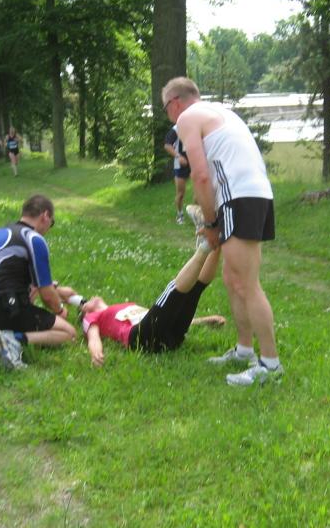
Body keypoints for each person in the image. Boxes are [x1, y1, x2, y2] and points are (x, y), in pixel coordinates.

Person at [162, 76, 282, 386]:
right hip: (253, 194)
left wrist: (210, 223)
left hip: (239, 198)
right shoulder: (219, 112)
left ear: (175, 103)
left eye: (166, 109)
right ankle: (244, 350)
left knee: (248, 283)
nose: (169, 117)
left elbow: (200, 176)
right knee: (232, 277)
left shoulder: (187, 118)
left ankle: (270, 365)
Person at [79, 214, 225, 366]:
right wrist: (96, 353)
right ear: (84, 310)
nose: (90, 298)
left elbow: (167, 315)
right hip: (142, 340)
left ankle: (218, 240)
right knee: (174, 290)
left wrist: (205, 321)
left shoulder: (124, 307)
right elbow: (93, 337)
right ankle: (206, 244)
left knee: (194, 290)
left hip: (172, 339)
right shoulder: (92, 316)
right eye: (85, 302)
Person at [0, 194, 77, 369]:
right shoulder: (33, 239)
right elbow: (47, 296)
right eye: (52, 223)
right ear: (45, 216)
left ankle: (6, 335)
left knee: (30, 309)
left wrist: (55, 291)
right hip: (2, 307)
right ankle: (13, 339)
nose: (49, 228)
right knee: (69, 333)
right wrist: (60, 310)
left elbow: (31, 286)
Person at [164, 124, 191, 224]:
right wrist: (178, 156)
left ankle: (197, 215)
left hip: (194, 160)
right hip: (180, 163)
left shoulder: (198, 124)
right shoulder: (177, 128)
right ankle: (180, 214)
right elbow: (167, 145)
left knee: (199, 192)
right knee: (180, 193)